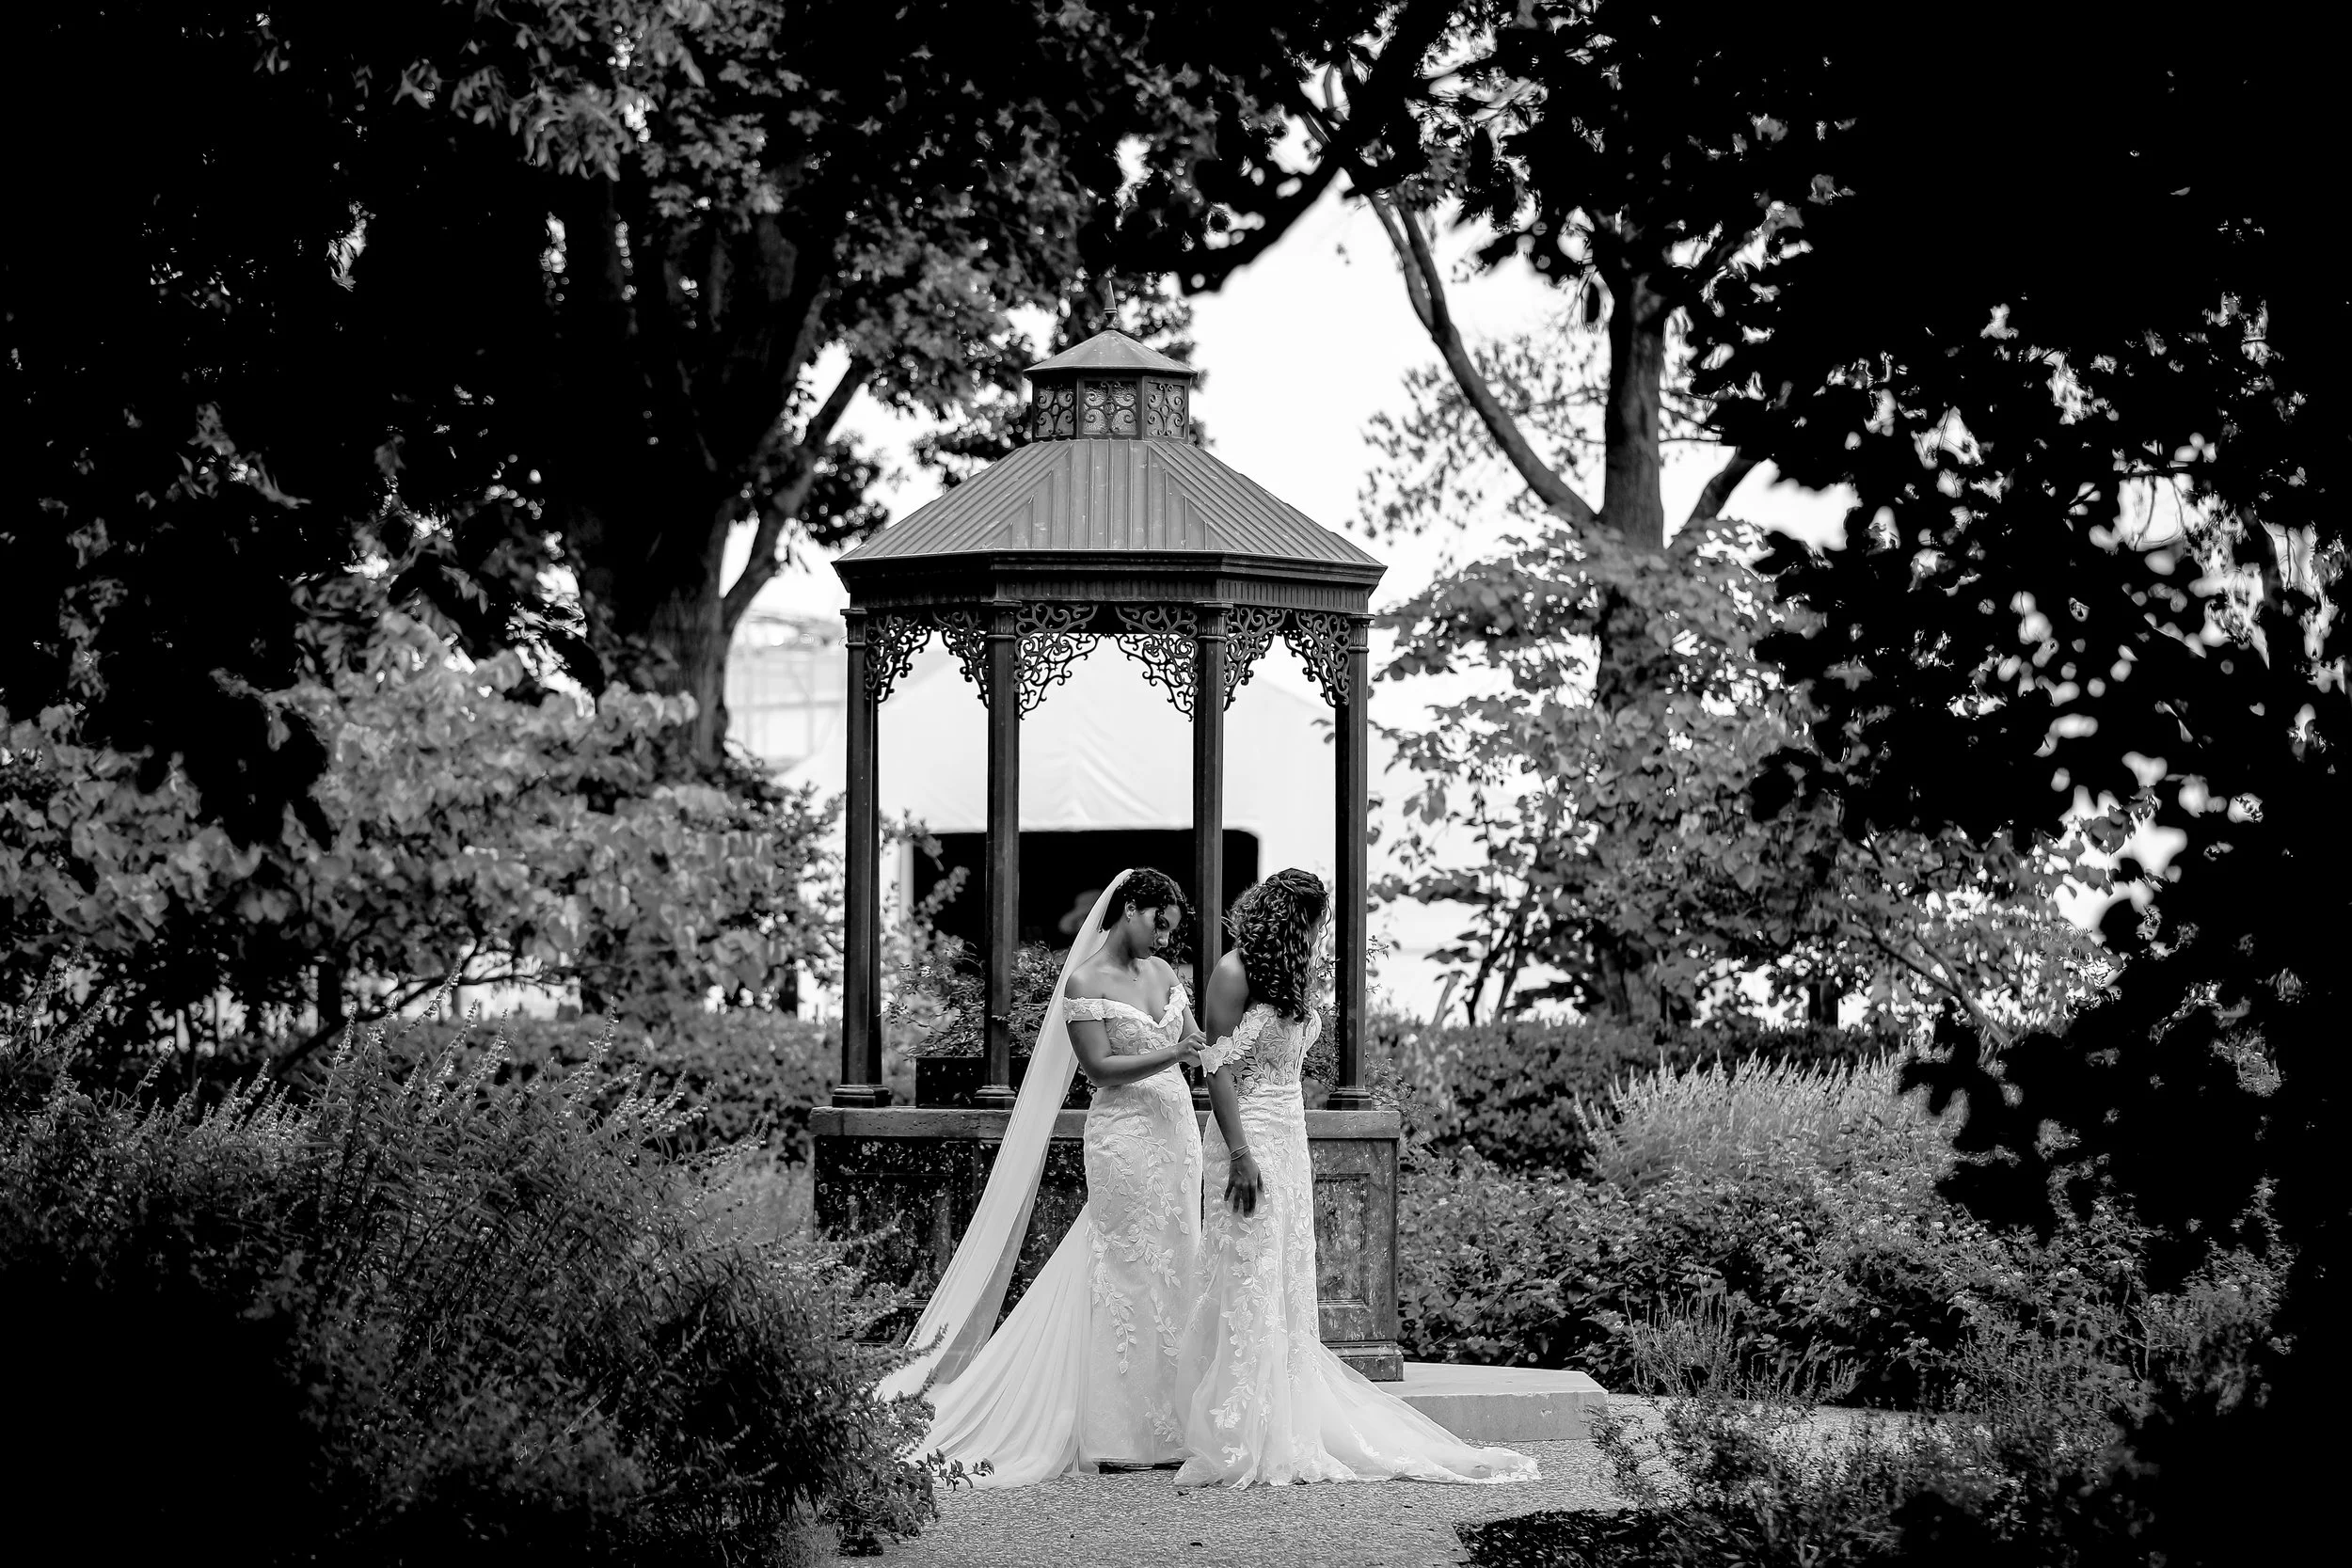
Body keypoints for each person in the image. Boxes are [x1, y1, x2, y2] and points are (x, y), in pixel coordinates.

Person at [1172, 869, 1537, 1489]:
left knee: (1284, 1277)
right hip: (1246, 1136)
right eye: (1316, 922)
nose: (1319, 934)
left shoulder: (1289, 974)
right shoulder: (1232, 973)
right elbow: (1216, 1069)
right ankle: (1236, 1429)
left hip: (1288, 1136)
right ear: (1295, 919)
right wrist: (1239, 1152)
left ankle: (1280, 1420)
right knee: (1245, 1272)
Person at [887, 868, 1207, 1485]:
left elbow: (1196, 1042)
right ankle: (1118, 1431)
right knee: (1126, 1269)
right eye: (1159, 923)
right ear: (1130, 909)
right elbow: (1102, 1068)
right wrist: (1175, 1053)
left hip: (1176, 1139)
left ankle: (1174, 1424)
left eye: (1171, 929)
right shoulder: (1085, 981)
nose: (1165, 939)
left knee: (1177, 1263)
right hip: (1123, 1140)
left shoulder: (1166, 975)